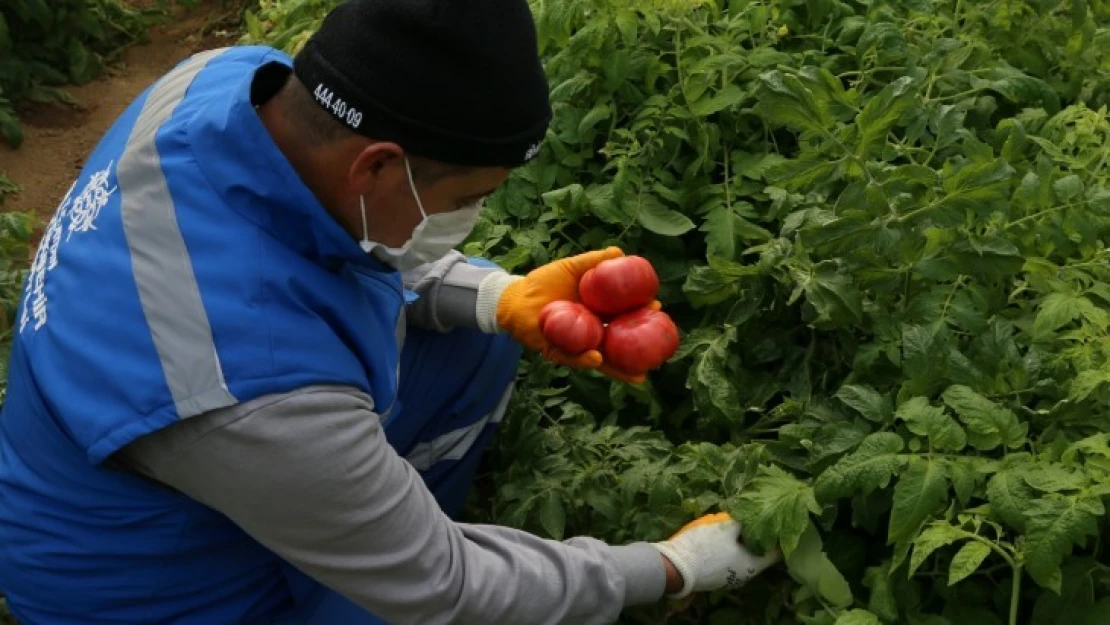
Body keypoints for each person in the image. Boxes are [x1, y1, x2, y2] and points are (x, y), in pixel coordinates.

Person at [0, 0, 777, 623]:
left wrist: (500, 296)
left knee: (480, 342)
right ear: (377, 167)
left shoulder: (223, 84)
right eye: (465, 200)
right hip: (150, 589)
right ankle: (361, 553)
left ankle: (362, 527)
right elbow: (448, 585)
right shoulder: (250, 389)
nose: (469, 218)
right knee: (418, 595)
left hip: (200, 460)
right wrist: (670, 567)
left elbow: (300, 256)